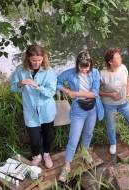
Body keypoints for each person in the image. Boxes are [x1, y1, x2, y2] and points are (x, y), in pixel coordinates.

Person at [57, 51, 104, 182]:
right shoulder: (70, 73)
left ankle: (84, 152)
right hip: (78, 110)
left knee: (88, 134)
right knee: (73, 139)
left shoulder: (95, 73)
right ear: (77, 64)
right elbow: (57, 81)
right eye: (82, 66)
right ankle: (66, 166)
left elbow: (95, 93)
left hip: (92, 108)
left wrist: (76, 93)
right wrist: (66, 91)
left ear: (90, 64)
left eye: (87, 66)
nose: (84, 69)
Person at [10, 45, 57, 168]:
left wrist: (36, 85)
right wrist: (20, 83)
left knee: (47, 133)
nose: (37, 63)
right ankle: (37, 156)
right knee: (34, 138)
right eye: (34, 60)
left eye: (39, 60)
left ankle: (46, 154)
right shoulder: (20, 70)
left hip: (46, 109)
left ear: (43, 58)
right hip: (30, 110)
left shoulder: (49, 71)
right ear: (28, 58)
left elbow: (51, 92)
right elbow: (13, 87)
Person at [99, 48, 129, 155]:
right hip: (109, 105)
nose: (120, 59)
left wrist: (128, 94)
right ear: (110, 61)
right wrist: (110, 94)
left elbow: (127, 81)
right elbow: (96, 91)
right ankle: (113, 143)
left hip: (124, 104)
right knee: (111, 126)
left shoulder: (123, 67)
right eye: (117, 58)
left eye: (119, 56)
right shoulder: (102, 74)